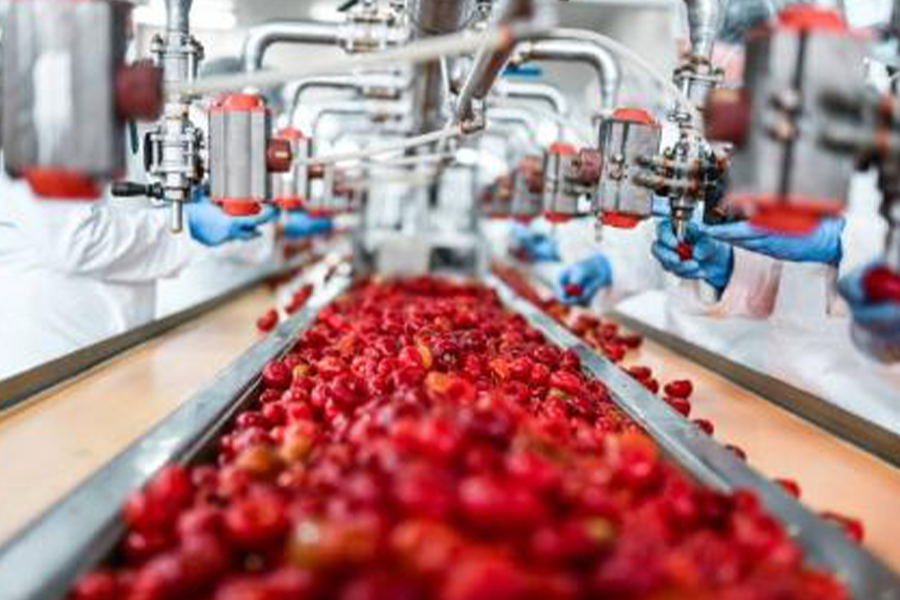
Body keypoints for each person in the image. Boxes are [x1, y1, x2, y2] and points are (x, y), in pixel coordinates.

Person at [0, 169, 278, 380]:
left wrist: (179, 220)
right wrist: (179, 223)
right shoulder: (50, 119)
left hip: (119, 341)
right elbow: (78, 240)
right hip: (56, 345)